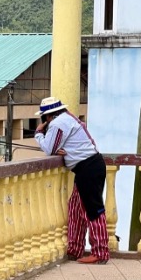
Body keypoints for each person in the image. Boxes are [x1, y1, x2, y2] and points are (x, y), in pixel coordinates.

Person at [34, 96, 109, 264]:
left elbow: (48, 148)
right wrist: (57, 148)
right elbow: (55, 148)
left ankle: (100, 252)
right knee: (75, 208)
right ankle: (75, 249)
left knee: (93, 210)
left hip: (87, 168)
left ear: (47, 117)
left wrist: (39, 133)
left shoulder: (57, 123)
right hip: (89, 166)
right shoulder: (69, 118)